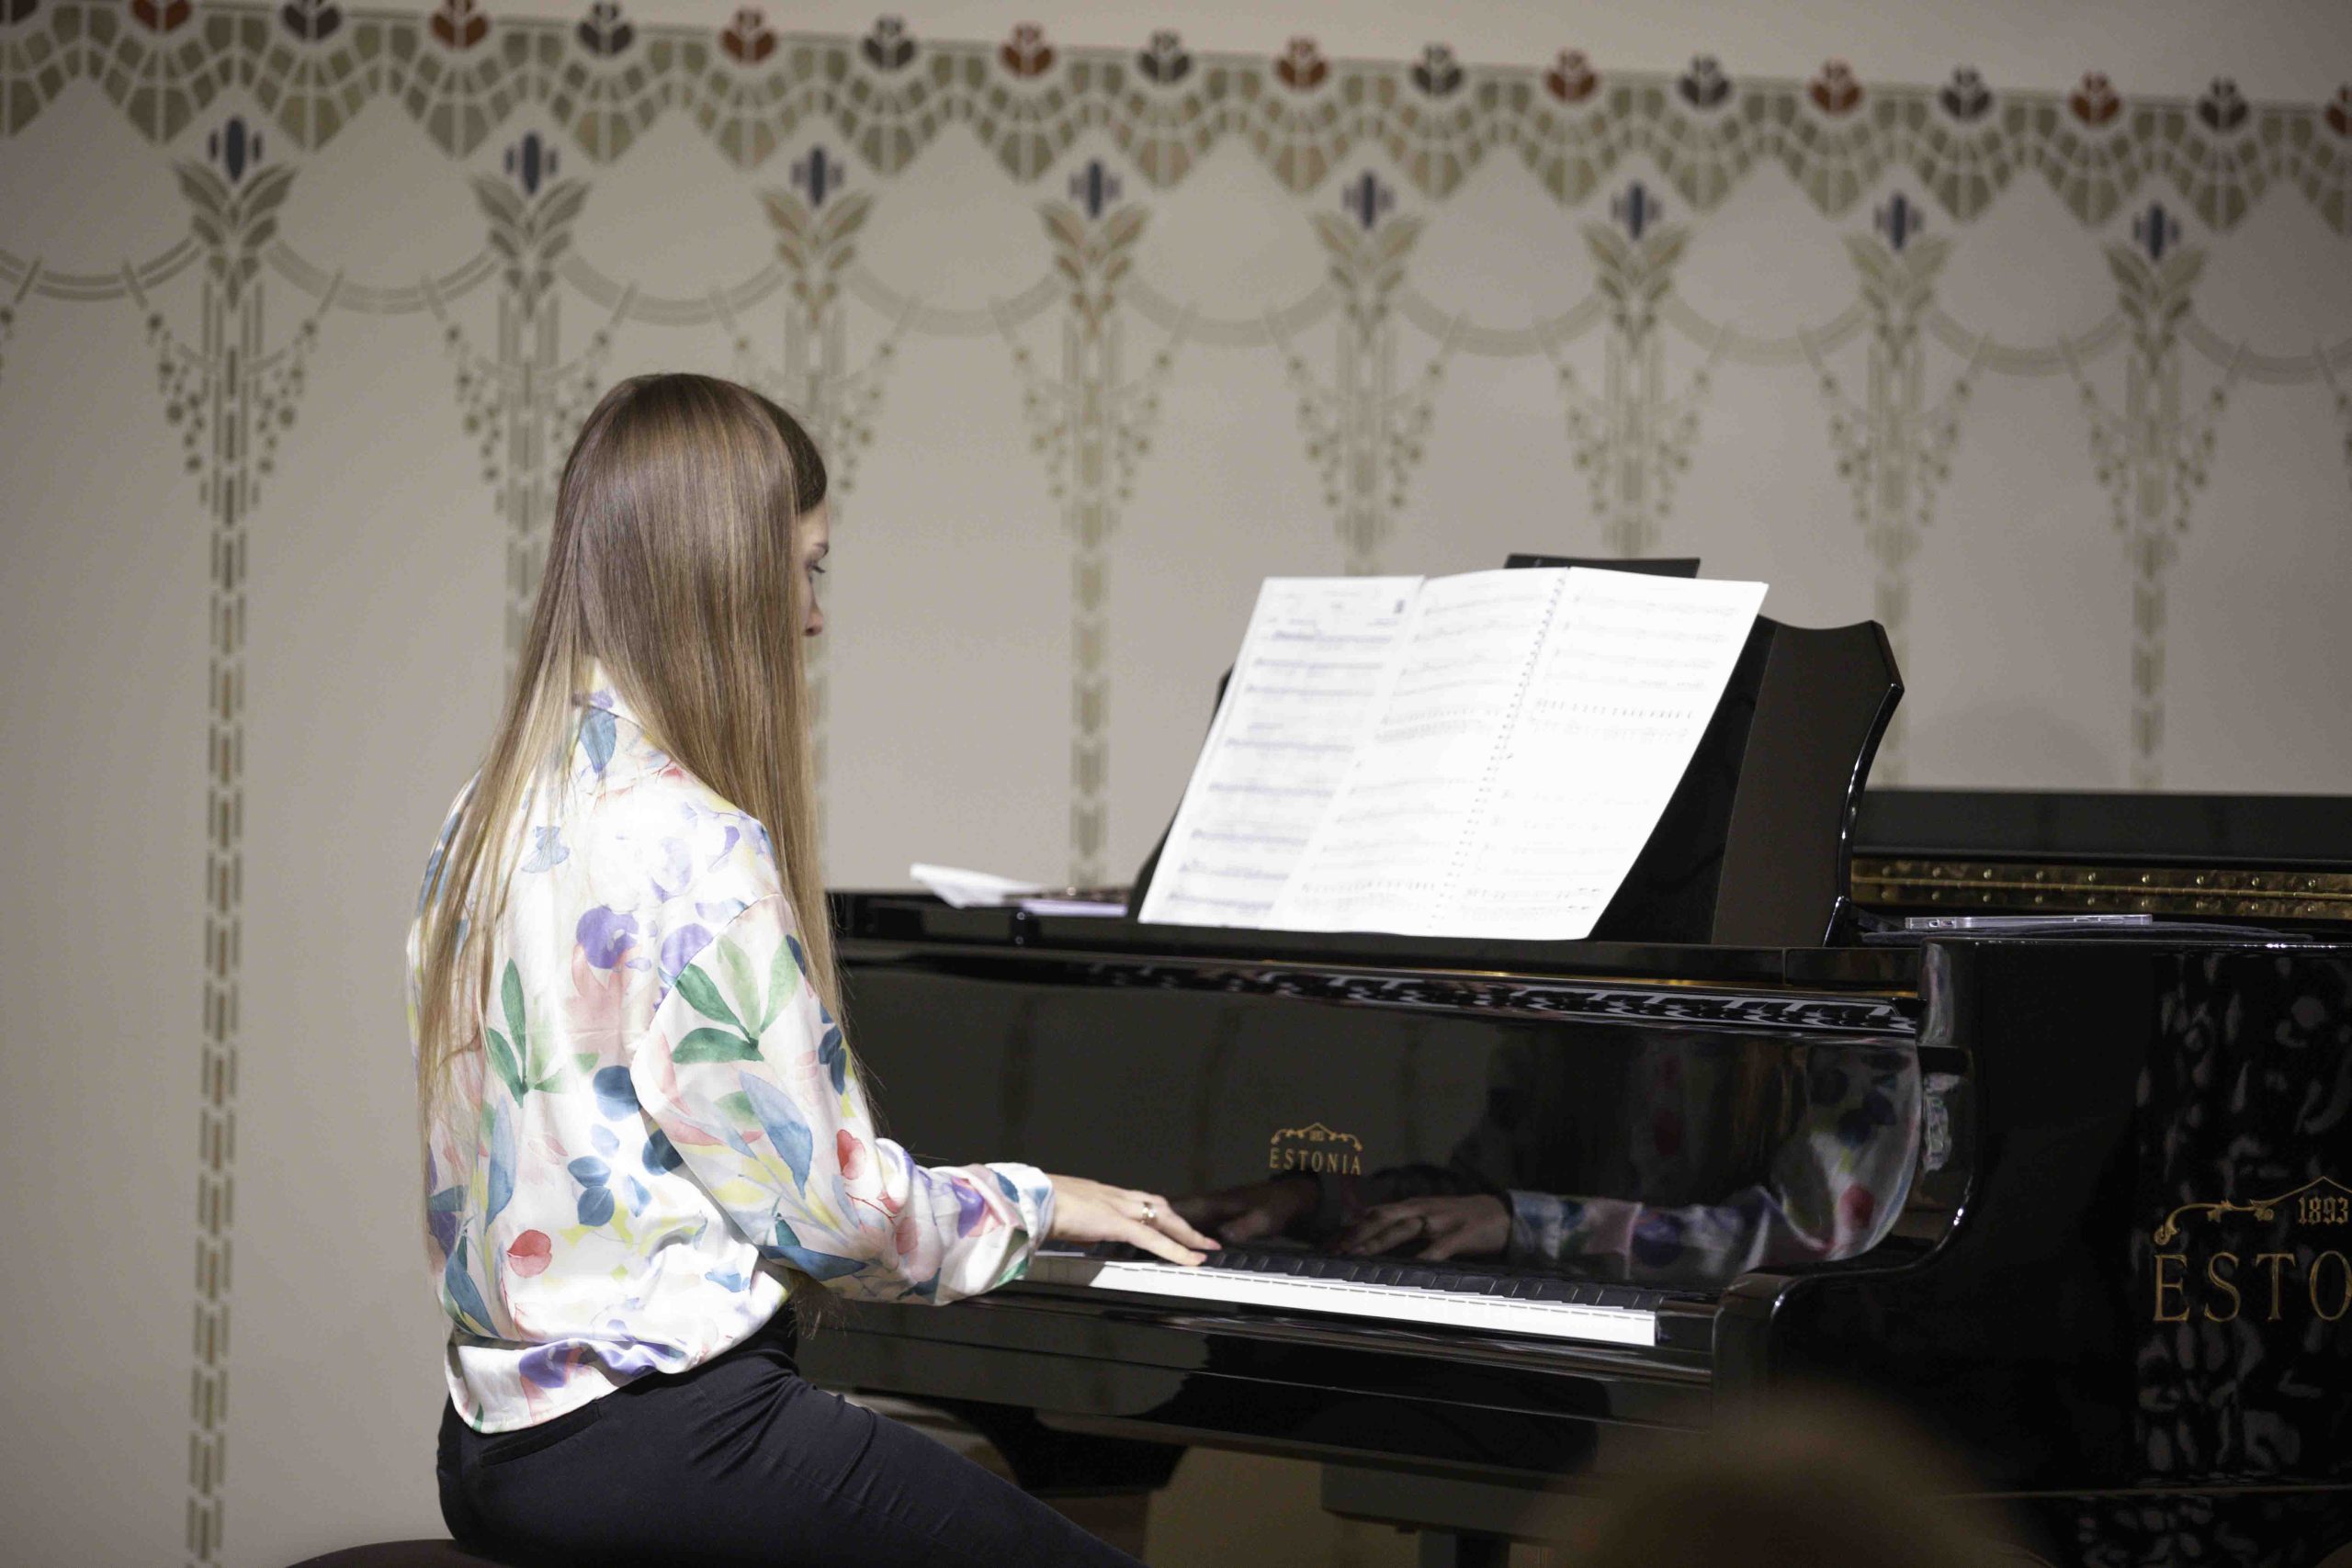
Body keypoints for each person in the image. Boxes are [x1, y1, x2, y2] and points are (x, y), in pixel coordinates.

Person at [407, 372, 1216, 1567]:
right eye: (808, 568)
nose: (815, 616)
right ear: (726, 576)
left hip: (491, 1451)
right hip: (665, 1445)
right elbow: (835, 1221)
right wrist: (1042, 1203)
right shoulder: (695, 846)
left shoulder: (482, 816)